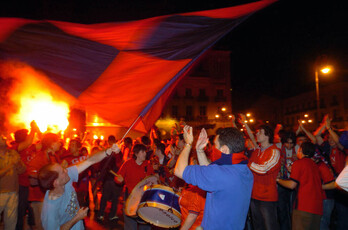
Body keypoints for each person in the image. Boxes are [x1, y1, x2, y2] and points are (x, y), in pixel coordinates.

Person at [174, 126, 253, 230]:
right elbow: (211, 175)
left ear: (224, 149)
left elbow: (179, 171)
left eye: (215, 145)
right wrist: (200, 150)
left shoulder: (220, 174)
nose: (212, 148)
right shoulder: (245, 170)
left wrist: (188, 144)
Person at [38, 141, 120, 230]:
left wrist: (108, 151)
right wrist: (77, 218)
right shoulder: (50, 209)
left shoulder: (66, 179)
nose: (66, 171)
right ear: (56, 182)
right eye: (63, 171)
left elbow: (90, 160)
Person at [277, 142, 335, 230]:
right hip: (317, 209)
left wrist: (278, 180)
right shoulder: (316, 165)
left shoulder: (298, 163)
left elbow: (292, 185)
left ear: (300, 150)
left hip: (303, 207)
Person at [240, 114, 281, 230]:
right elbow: (252, 137)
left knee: (270, 226)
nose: (256, 134)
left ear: (267, 135)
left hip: (267, 197)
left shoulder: (274, 152)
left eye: (259, 132)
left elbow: (263, 169)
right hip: (254, 195)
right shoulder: (257, 151)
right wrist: (244, 123)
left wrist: (246, 162)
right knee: (257, 226)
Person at [114, 144, 155, 230]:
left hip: (144, 199)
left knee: (145, 223)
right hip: (130, 196)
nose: (145, 154)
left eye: (145, 152)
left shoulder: (147, 165)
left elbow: (152, 179)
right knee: (130, 224)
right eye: (142, 152)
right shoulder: (128, 164)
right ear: (136, 153)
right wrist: (119, 179)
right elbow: (117, 177)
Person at [0, 134, 26, 230]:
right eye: (1, 138)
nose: (4, 138)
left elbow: (22, 170)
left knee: (11, 222)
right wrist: (11, 166)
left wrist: (18, 163)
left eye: (4, 137)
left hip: (13, 192)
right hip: (1, 193)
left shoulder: (13, 153)